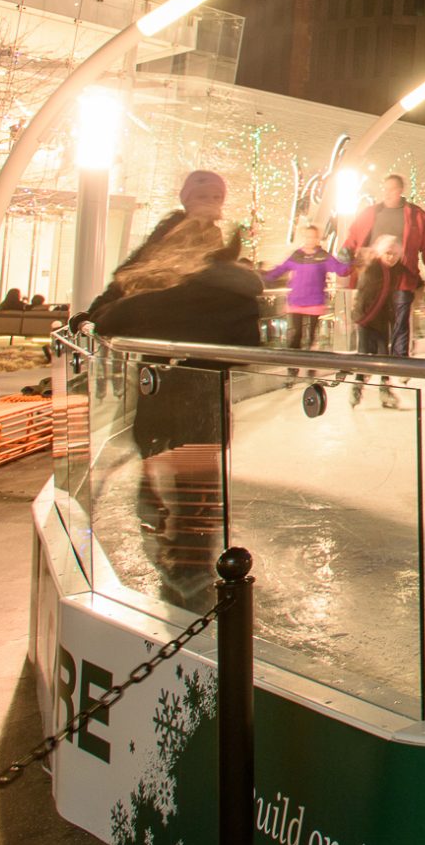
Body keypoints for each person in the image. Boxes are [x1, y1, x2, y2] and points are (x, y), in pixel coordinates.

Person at [91, 218, 265, 610]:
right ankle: (191, 561)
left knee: (172, 480)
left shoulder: (169, 290)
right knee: (197, 485)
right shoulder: (240, 293)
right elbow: (248, 344)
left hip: (163, 395)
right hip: (205, 401)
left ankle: (183, 565)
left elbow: (108, 319)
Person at [81, 170, 229, 330]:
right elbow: (136, 270)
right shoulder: (171, 230)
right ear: (187, 201)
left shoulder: (214, 235)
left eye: (217, 197)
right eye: (202, 196)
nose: (210, 202)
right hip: (160, 316)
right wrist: (94, 312)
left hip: (192, 318)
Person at [341, 174, 425, 356]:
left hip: (402, 278)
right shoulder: (371, 213)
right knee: (373, 319)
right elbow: (354, 234)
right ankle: (370, 360)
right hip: (374, 278)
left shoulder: (417, 215)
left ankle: (399, 360)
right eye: (385, 189)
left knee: (400, 322)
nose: (386, 193)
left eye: (391, 189)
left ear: (400, 190)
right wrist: (346, 250)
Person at [264, 225, 348, 350]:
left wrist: (350, 260)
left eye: (313, 237)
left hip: (315, 301)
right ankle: (293, 363)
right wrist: (263, 277)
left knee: (312, 336)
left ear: (317, 238)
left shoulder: (323, 256)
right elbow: (281, 269)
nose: (310, 240)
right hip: (297, 300)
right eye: (308, 237)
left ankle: (309, 361)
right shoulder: (297, 256)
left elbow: (341, 270)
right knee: (296, 333)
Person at [350, 235, 422, 358]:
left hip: (382, 318)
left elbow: (412, 277)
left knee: (383, 351)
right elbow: (362, 294)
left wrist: (420, 283)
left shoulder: (396, 268)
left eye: (395, 254)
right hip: (365, 316)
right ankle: (360, 376)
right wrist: (360, 316)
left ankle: (384, 376)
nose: (391, 257)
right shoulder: (372, 267)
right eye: (388, 253)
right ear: (381, 253)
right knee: (364, 350)